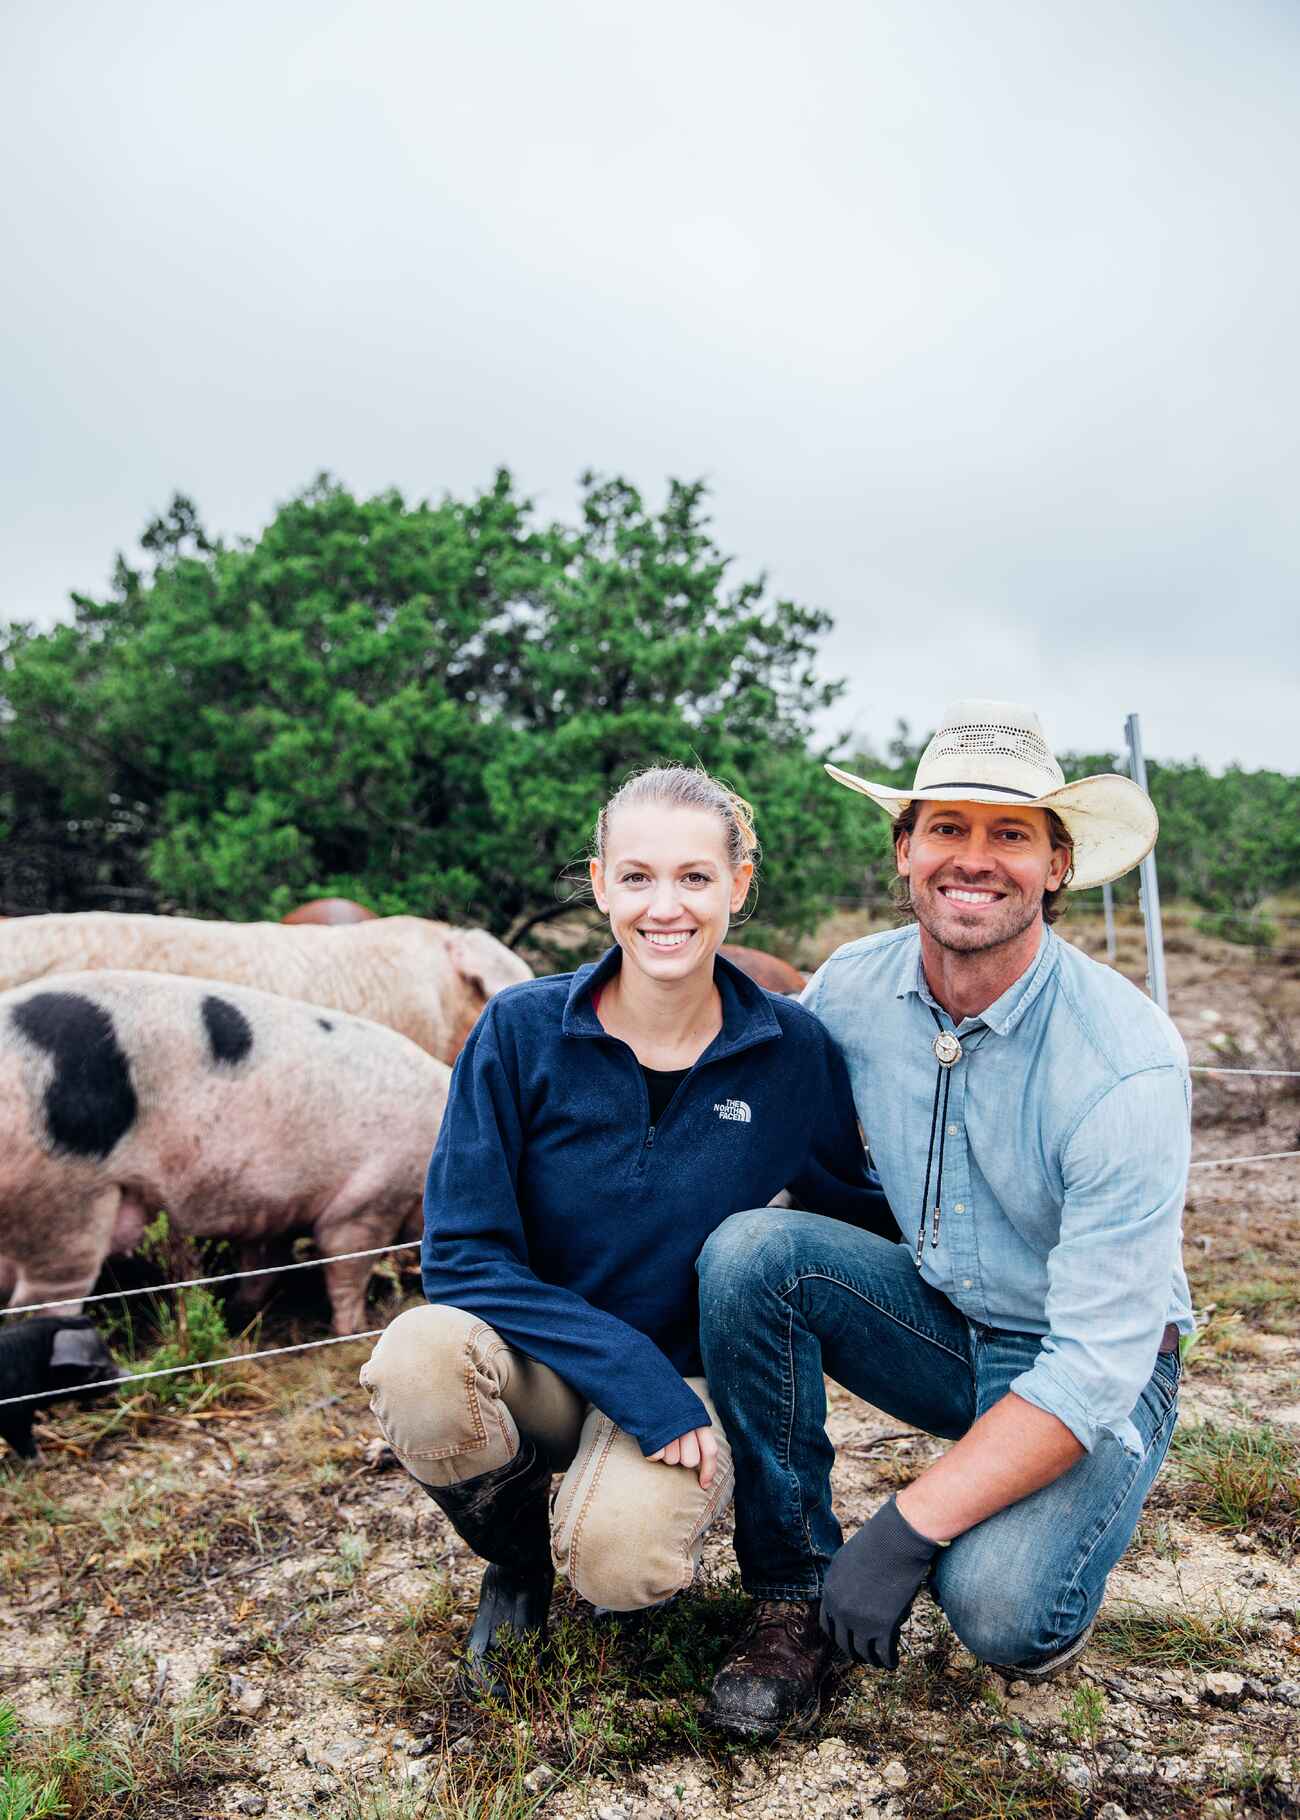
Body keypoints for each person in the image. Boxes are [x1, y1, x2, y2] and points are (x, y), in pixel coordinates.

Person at [696, 699, 1192, 1739]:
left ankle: (1047, 1516)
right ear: (904, 850)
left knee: (1000, 1610)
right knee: (750, 1252)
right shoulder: (850, 989)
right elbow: (774, 1149)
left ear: (1056, 864)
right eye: (947, 828)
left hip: (1090, 1364)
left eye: (1010, 833)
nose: (975, 859)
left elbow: (1096, 1357)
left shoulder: (1126, 1059)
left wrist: (905, 1526)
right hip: (940, 1313)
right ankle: (793, 1603)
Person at [360, 765, 894, 1694]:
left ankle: (597, 1534)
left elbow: (848, 1215)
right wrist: (635, 1380)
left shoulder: (790, 1052)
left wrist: (994, 1253)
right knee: (419, 1359)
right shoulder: (519, 1031)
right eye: (637, 877)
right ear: (601, 883)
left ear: (740, 884)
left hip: (693, 1379)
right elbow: (460, 1258)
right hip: (546, 1366)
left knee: (622, 1568)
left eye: (695, 877)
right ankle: (517, 1555)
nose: (666, 908)